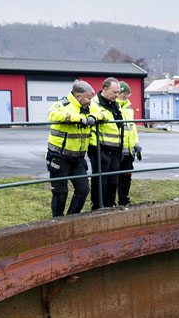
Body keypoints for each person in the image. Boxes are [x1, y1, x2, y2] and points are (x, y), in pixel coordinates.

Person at [46, 79, 97, 216]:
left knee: (83, 190)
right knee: (60, 192)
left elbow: (103, 114)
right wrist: (79, 118)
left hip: (78, 159)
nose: (90, 101)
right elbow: (52, 114)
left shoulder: (89, 108)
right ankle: (56, 221)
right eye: (87, 98)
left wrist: (93, 116)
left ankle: (71, 218)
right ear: (77, 96)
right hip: (59, 158)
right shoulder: (62, 104)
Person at [87, 78, 122, 210]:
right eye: (114, 92)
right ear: (105, 89)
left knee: (113, 181)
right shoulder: (95, 104)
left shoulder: (115, 104)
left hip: (115, 149)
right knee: (101, 181)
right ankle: (97, 207)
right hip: (100, 148)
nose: (117, 95)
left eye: (118, 92)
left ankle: (110, 205)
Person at [116, 81, 143, 205]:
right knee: (113, 177)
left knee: (126, 177)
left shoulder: (128, 108)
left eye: (128, 94)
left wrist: (137, 146)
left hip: (128, 150)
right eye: (123, 94)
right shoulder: (113, 107)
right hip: (116, 149)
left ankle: (124, 199)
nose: (126, 96)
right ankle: (110, 201)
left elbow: (132, 129)